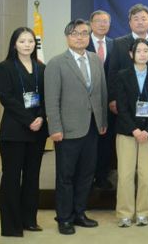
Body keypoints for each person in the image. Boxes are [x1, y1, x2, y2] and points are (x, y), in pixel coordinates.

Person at [45, 19, 108, 235]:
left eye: (84, 33)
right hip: (67, 130)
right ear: (67, 37)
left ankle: (80, 213)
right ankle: (64, 218)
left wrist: (102, 121)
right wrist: (55, 127)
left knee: (86, 174)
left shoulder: (95, 60)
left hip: (92, 127)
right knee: (66, 176)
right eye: (74, 33)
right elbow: (51, 100)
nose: (80, 37)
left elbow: (102, 93)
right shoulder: (56, 63)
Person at [0, 27, 48, 237]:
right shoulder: (4, 67)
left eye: (30, 41)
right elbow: (6, 98)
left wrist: (41, 117)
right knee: (11, 178)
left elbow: (47, 97)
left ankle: (29, 220)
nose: (27, 45)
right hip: (14, 132)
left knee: (32, 178)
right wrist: (29, 120)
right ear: (14, 44)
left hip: (37, 131)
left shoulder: (41, 68)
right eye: (22, 41)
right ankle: (11, 226)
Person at [114, 39, 148, 227]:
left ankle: (143, 212)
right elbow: (121, 106)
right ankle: (124, 213)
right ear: (131, 54)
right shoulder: (122, 75)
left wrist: (147, 130)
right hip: (127, 132)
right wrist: (134, 129)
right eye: (138, 51)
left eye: (146, 50)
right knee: (125, 175)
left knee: (146, 175)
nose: (142, 54)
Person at [87, 10, 115, 190]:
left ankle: (102, 176)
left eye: (105, 21)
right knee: (89, 142)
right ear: (91, 24)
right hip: (87, 103)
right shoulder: (83, 43)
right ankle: (87, 178)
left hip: (108, 103)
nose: (102, 24)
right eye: (98, 21)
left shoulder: (114, 44)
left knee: (106, 142)